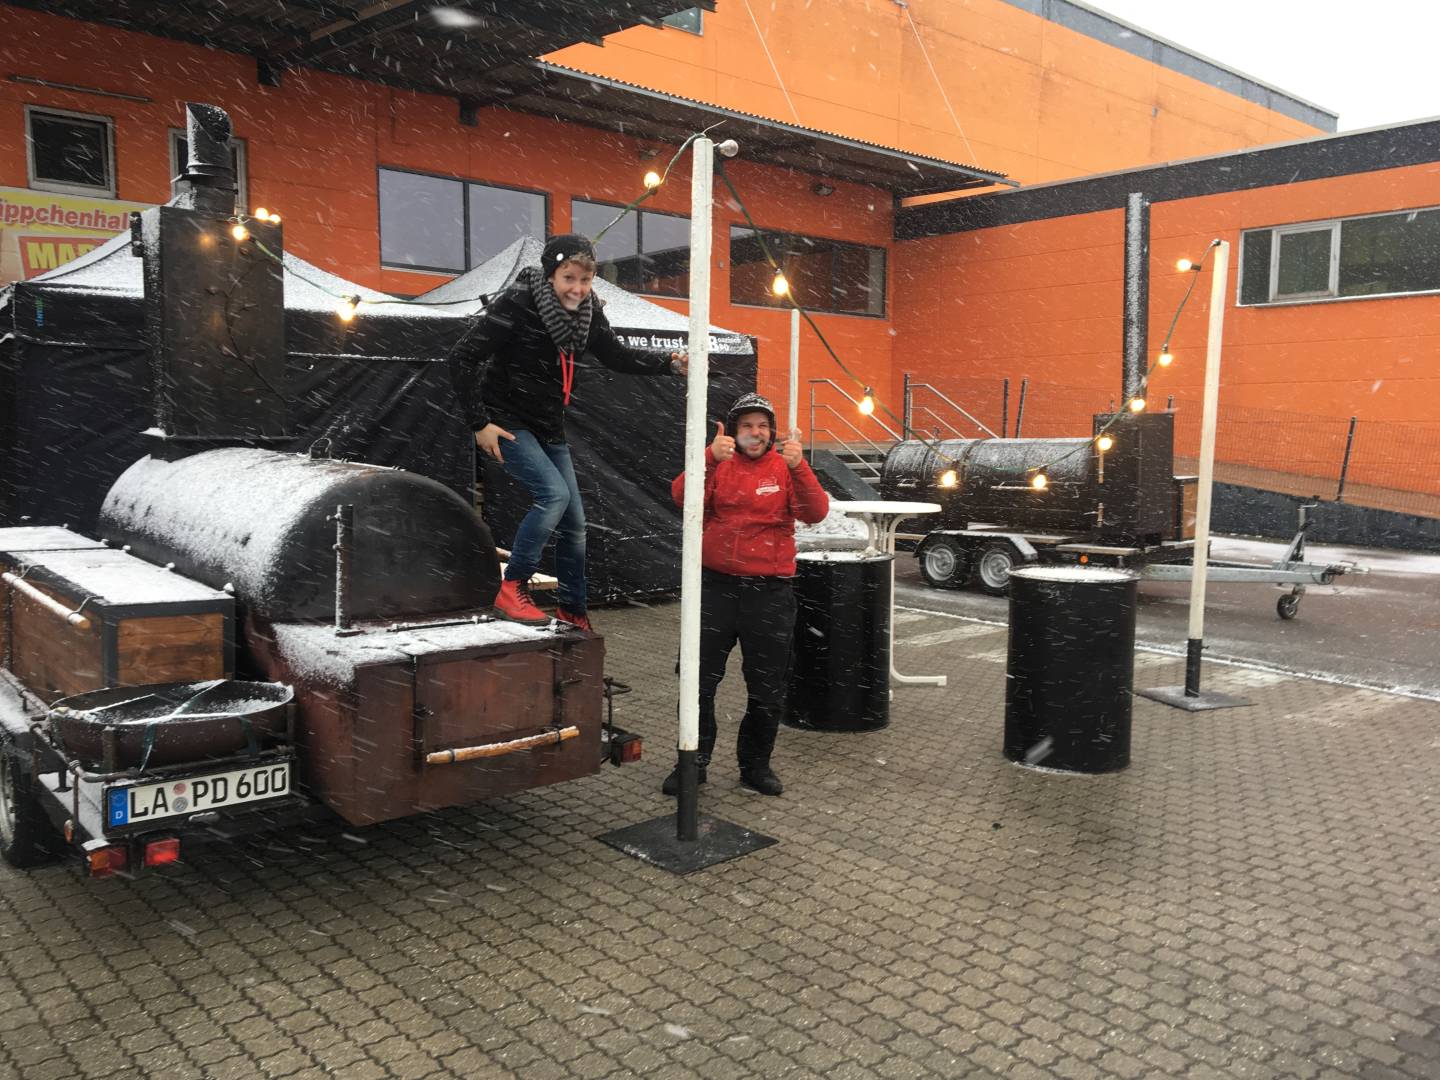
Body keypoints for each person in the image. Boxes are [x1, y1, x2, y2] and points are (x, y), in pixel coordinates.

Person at [450, 234, 685, 630]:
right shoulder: (519, 303)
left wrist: (669, 364)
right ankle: (512, 586)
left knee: (575, 523)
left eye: (585, 280)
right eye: (568, 278)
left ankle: (572, 608)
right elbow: (461, 358)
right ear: (550, 275)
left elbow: (616, 355)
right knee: (553, 496)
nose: (577, 288)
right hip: (506, 418)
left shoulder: (589, 312)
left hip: (548, 424)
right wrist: (479, 424)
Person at [666, 392, 829, 796]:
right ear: (733, 431)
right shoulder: (718, 463)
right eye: (746, 426)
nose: (755, 433)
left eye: (762, 426)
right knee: (697, 682)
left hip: (770, 594)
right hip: (714, 589)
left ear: (771, 432)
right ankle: (692, 763)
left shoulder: (786, 466)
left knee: (767, 688)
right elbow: (681, 497)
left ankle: (755, 766)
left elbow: (816, 512)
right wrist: (707, 457)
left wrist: (800, 466)